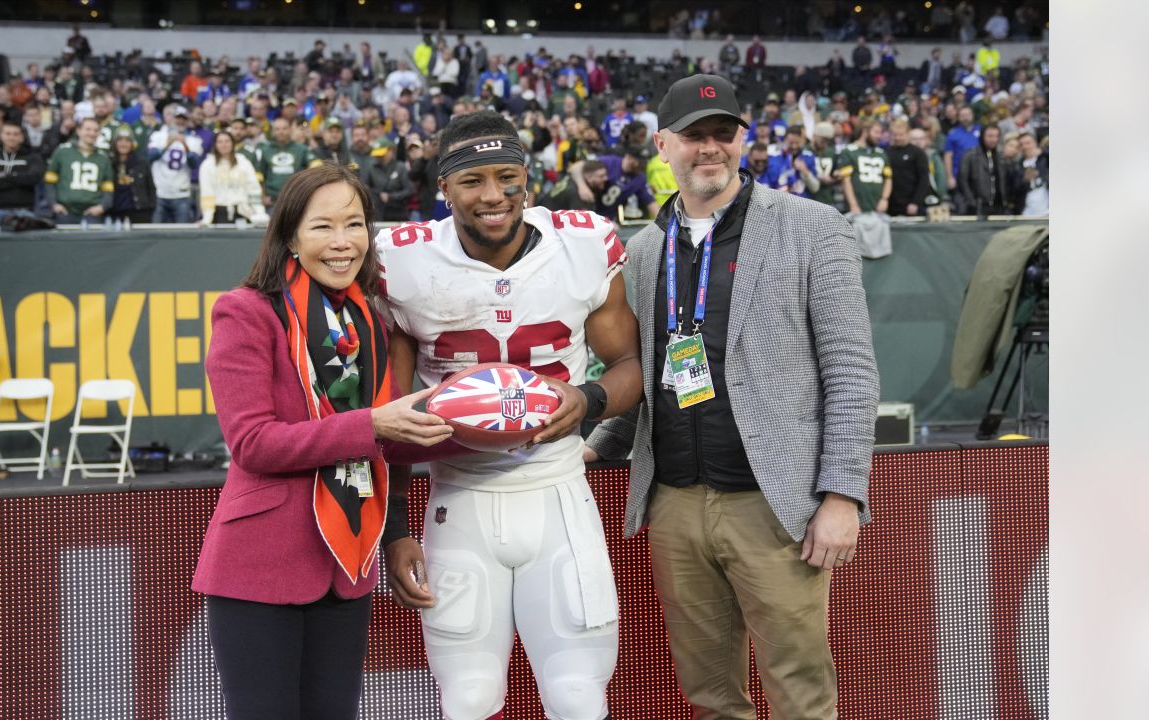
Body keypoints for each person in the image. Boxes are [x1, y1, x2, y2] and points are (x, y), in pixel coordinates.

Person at [583, 73, 879, 720]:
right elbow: (643, 369)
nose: (709, 148)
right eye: (694, 136)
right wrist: (591, 445)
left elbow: (852, 372)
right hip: (677, 501)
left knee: (800, 693)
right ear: (664, 145)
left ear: (745, 139)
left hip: (773, 505)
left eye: (724, 133)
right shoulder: (643, 250)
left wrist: (841, 495)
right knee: (710, 694)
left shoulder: (812, 228)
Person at [376, 110, 643, 720]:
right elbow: (386, 416)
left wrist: (590, 400)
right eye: (471, 181)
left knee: (579, 699)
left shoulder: (582, 243)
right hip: (458, 495)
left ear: (529, 177)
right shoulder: (403, 261)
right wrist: (394, 528)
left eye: (506, 177)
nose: (492, 196)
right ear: (443, 189)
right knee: (467, 700)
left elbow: (628, 361)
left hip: (558, 492)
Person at [193, 163, 460, 720]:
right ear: (290, 235)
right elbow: (254, 444)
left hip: (348, 568)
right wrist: (376, 425)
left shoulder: (369, 323)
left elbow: (390, 443)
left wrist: (477, 426)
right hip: (260, 568)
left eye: (356, 224)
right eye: (323, 227)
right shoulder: (245, 312)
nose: (343, 243)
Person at [44, 117, 114, 224]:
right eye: (88, 129)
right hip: (65, 213)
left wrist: (103, 207)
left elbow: (108, 188)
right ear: (79, 131)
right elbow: (49, 182)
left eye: (96, 130)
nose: (92, 133)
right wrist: (53, 204)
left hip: (92, 214)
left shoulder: (103, 158)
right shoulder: (62, 152)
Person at [148, 106, 204, 223]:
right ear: (170, 119)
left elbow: (194, 164)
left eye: (183, 119)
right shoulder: (158, 136)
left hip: (181, 194)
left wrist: (185, 145)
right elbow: (150, 157)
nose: (180, 121)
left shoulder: (194, 140)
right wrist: (166, 146)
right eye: (177, 118)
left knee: (182, 234)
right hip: (159, 193)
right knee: (156, 233)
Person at [198, 130, 266, 226]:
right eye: (220, 142)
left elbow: (253, 188)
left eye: (227, 141)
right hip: (218, 213)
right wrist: (207, 218)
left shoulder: (244, 162)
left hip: (242, 211)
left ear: (233, 143)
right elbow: (207, 193)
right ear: (215, 145)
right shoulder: (207, 165)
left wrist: (260, 212)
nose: (224, 145)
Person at [0, 123, 46, 222]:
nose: (11, 137)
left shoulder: (33, 158)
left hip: (25, 212)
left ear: (22, 138)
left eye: (16, 134)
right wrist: (20, 179)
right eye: (8, 134)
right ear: (1, 136)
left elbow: (34, 177)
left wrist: (6, 176)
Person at [837, 119, 893, 215]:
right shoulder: (849, 151)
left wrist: (884, 199)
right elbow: (846, 180)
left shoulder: (881, 153)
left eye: (880, 133)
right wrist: (853, 204)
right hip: (858, 207)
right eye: (876, 132)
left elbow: (888, 179)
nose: (879, 136)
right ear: (865, 132)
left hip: (878, 207)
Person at [260, 116, 315, 208]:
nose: (281, 132)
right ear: (273, 132)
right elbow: (261, 176)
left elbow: (316, 166)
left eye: (284, 128)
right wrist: (262, 196)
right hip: (273, 201)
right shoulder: (266, 150)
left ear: (290, 130)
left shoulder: (301, 148)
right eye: (277, 129)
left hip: (297, 201)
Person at [956, 124, 1008, 216]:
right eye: (990, 136)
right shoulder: (970, 155)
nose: (994, 139)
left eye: (996, 136)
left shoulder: (1001, 157)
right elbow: (962, 180)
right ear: (982, 136)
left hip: (998, 206)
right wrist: (971, 201)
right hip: (977, 206)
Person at [885, 118, 932, 216]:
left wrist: (915, 202)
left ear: (907, 134)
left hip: (911, 204)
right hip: (890, 205)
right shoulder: (886, 153)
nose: (897, 138)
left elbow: (924, 180)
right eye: (895, 135)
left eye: (901, 135)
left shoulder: (918, 153)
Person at [109, 126, 155, 224]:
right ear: (115, 143)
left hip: (140, 212)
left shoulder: (142, 163)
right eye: (120, 140)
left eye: (127, 141)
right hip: (115, 212)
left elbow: (151, 188)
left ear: (132, 144)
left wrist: (151, 208)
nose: (123, 144)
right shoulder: (109, 164)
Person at [361, 138, 412, 221]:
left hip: (399, 213)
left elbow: (409, 191)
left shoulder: (400, 167)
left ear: (391, 151)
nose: (380, 157)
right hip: (379, 213)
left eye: (382, 154)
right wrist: (377, 195)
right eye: (377, 155)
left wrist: (391, 196)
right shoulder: (372, 168)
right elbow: (366, 188)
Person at [540, 158, 608, 213]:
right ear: (589, 177)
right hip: (545, 223)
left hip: (542, 210)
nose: (606, 178)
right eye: (601, 176)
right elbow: (580, 225)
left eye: (605, 175)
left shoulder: (571, 177)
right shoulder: (581, 195)